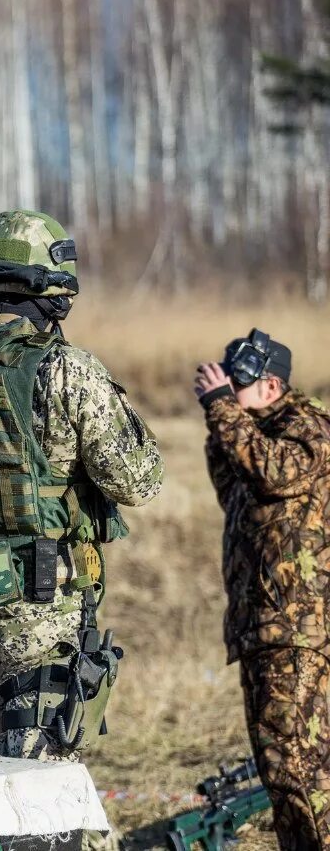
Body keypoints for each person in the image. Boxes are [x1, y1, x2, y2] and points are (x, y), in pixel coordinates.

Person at [0, 210, 163, 761]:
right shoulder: (65, 369)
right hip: (41, 602)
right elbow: (138, 479)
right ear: (51, 286)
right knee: (41, 786)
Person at [197, 330, 330, 851]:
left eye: (241, 386)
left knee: (299, 771)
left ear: (273, 384)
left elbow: (272, 472)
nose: (230, 394)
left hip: (296, 633)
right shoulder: (255, 432)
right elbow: (232, 485)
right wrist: (222, 420)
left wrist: (222, 410)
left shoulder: (308, 430)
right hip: (264, 630)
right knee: (280, 771)